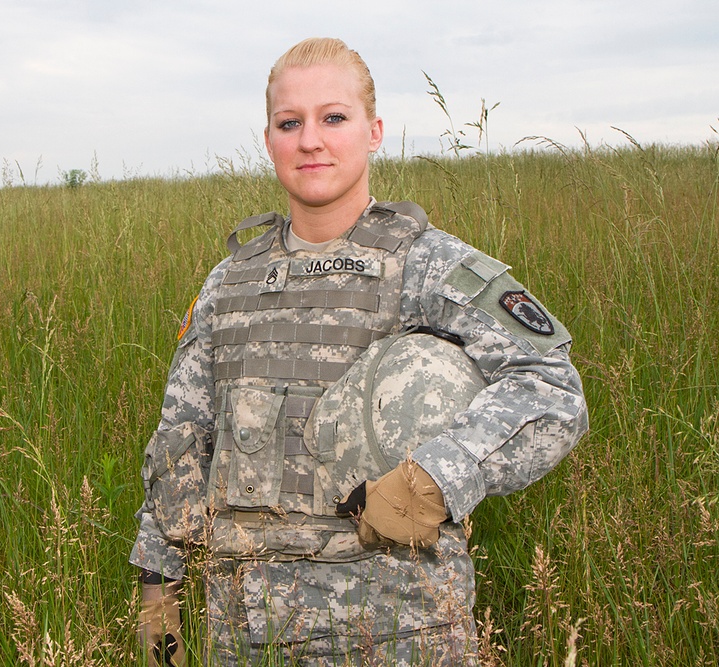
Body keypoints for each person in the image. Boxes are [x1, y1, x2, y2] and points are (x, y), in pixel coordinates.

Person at [131, 37, 588, 666]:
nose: (310, 140)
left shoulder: (426, 265)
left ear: (374, 132)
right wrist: (160, 599)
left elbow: (551, 387)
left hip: (399, 630)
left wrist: (436, 479)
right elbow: (179, 439)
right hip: (247, 635)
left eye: (333, 118)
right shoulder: (227, 284)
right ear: (269, 140)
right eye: (290, 123)